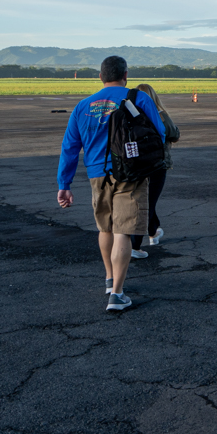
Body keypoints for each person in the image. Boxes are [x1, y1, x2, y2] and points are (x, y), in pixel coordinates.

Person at [56, 56, 165, 312]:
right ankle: (117, 294)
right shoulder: (138, 98)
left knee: (105, 229)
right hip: (131, 174)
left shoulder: (83, 106)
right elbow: (158, 134)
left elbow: (70, 147)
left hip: (96, 174)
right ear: (126, 74)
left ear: (100, 77)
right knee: (123, 231)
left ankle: (108, 278)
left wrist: (65, 183)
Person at [134, 82, 178, 251]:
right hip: (158, 163)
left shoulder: (132, 116)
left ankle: (154, 232)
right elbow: (174, 134)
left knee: (143, 200)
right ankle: (137, 243)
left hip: (136, 164)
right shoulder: (161, 115)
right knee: (148, 203)